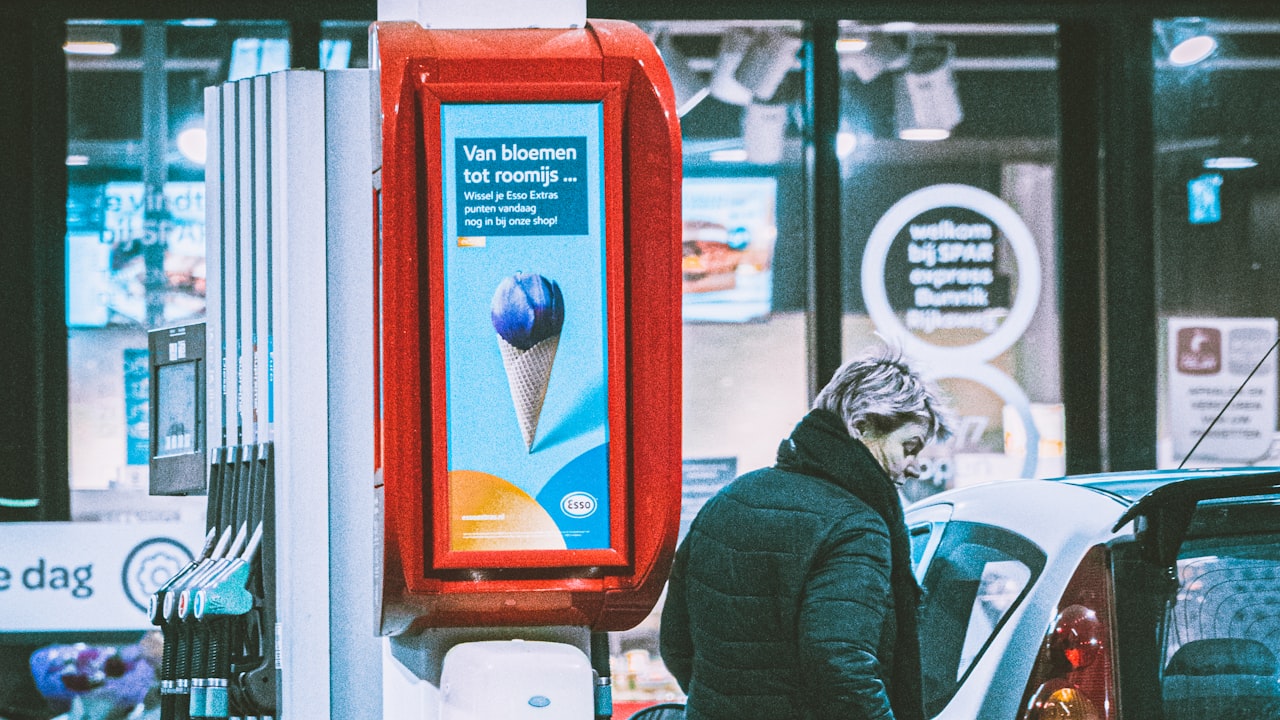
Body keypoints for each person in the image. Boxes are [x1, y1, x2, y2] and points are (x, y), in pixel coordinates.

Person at [660, 346, 951, 720]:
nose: (913, 468)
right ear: (861, 426)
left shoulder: (733, 496)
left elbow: (676, 641)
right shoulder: (856, 526)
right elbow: (841, 663)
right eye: (908, 447)